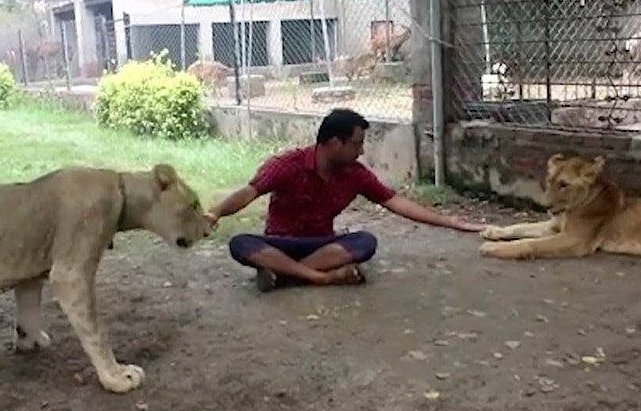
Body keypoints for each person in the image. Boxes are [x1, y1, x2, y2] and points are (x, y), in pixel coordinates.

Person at [204, 108, 485, 292]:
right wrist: (215, 213)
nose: (361, 151)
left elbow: (396, 202)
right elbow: (249, 192)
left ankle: (285, 275)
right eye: (357, 144)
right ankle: (322, 277)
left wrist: (450, 222)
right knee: (240, 243)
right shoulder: (287, 164)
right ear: (335, 143)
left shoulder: (356, 175)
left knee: (365, 241)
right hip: (281, 242)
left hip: (322, 245)